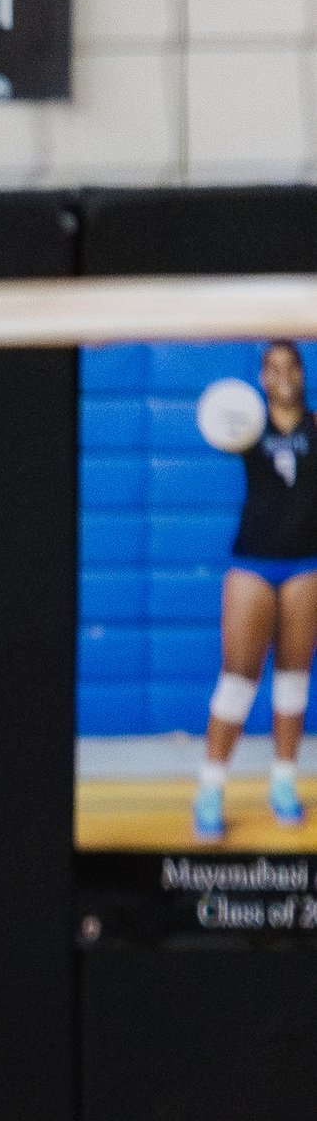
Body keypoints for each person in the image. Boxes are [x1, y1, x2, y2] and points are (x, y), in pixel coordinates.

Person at [197, 341, 317, 840]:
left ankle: (283, 782)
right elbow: (214, 420)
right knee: (239, 680)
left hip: (306, 565)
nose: (283, 375)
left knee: (293, 679)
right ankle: (210, 789)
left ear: (302, 373)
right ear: (262, 377)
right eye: (273, 368)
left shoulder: (316, 425)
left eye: (292, 366)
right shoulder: (246, 422)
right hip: (253, 563)